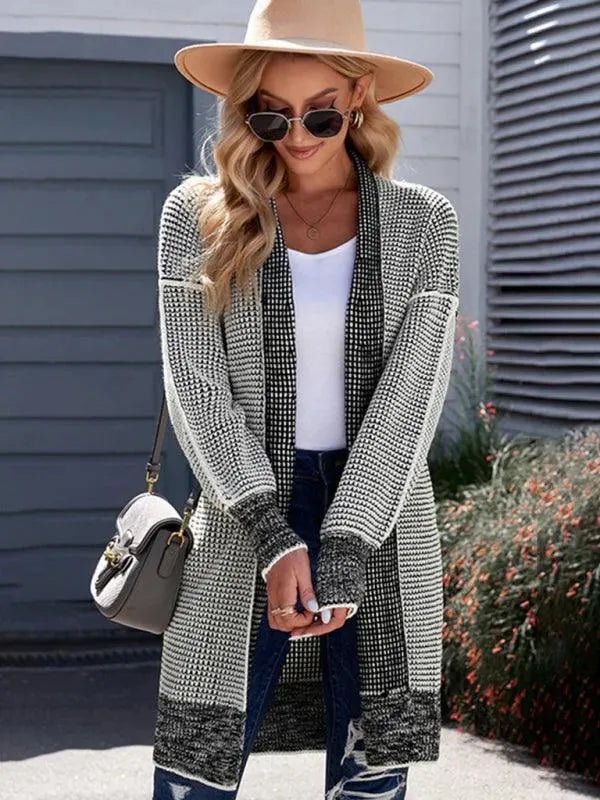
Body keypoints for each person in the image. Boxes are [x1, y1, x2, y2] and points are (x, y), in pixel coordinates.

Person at [152, 1, 460, 798]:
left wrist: (347, 543)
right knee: (193, 770)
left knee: (369, 779)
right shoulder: (198, 216)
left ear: (358, 97)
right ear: (245, 110)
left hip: (381, 519)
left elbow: (410, 398)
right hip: (240, 512)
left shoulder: (425, 224)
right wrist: (272, 532)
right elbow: (196, 386)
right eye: (271, 114)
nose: (296, 136)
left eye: (320, 113)